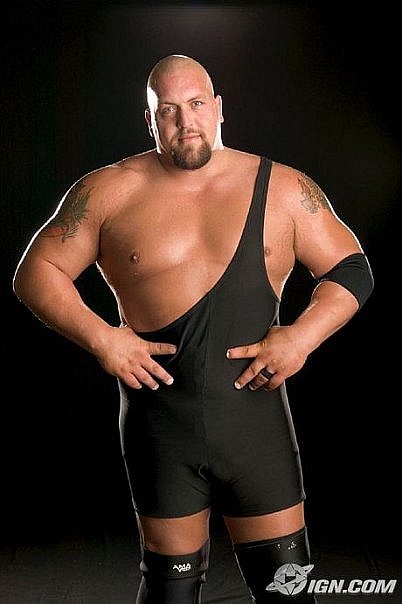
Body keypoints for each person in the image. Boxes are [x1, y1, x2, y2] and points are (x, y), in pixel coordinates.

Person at [13, 54, 373, 603]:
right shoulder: (109, 190)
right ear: (150, 119)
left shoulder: (280, 187)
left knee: (287, 590)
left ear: (219, 108)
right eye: (169, 110)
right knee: (169, 589)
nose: (186, 122)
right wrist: (103, 338)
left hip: (255, 430)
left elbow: (351, 269)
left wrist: (302, 337)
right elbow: (36, 272)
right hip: (161, 428)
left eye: (198, 104)